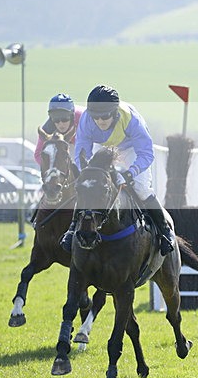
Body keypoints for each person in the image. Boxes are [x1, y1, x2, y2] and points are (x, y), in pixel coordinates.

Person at [59, 85, 174, 255]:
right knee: (88, 186)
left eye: (104, 116)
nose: (100, 121)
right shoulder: (86, 120)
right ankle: (72, 229)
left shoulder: (131, 119)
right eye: (96, 117)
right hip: (103, 147)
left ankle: (165, 232)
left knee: (141, 188)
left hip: (131, 149)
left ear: (115, 113)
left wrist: (129, 173)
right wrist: (87, 172)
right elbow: (82, 153)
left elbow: (146, 154)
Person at [33, 94, 84, 166]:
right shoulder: (47, 130)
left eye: (64, 119)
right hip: (67, 146)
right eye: (56, 119)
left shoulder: (83, 119)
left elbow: (88, 148)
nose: (61, 124)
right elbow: (38, 155)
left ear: (72, 116)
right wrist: (52, 165)